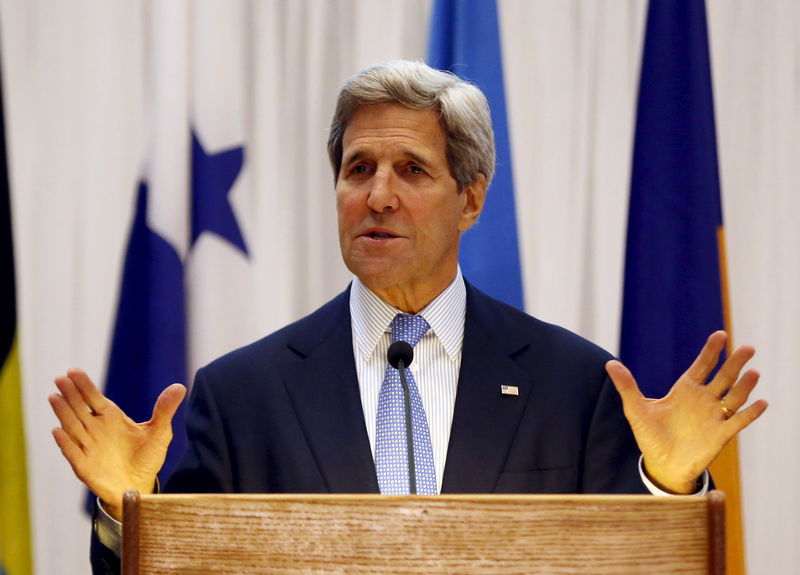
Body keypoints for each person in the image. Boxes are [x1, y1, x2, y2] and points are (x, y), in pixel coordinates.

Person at [49, 60, 767, 575]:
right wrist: (127, 511)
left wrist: (666, 484)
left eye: (412, 170)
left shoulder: (575, 383)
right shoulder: (243, 395)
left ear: (472, 199)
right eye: (358, 169)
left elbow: (632, 565)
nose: (378, 196)